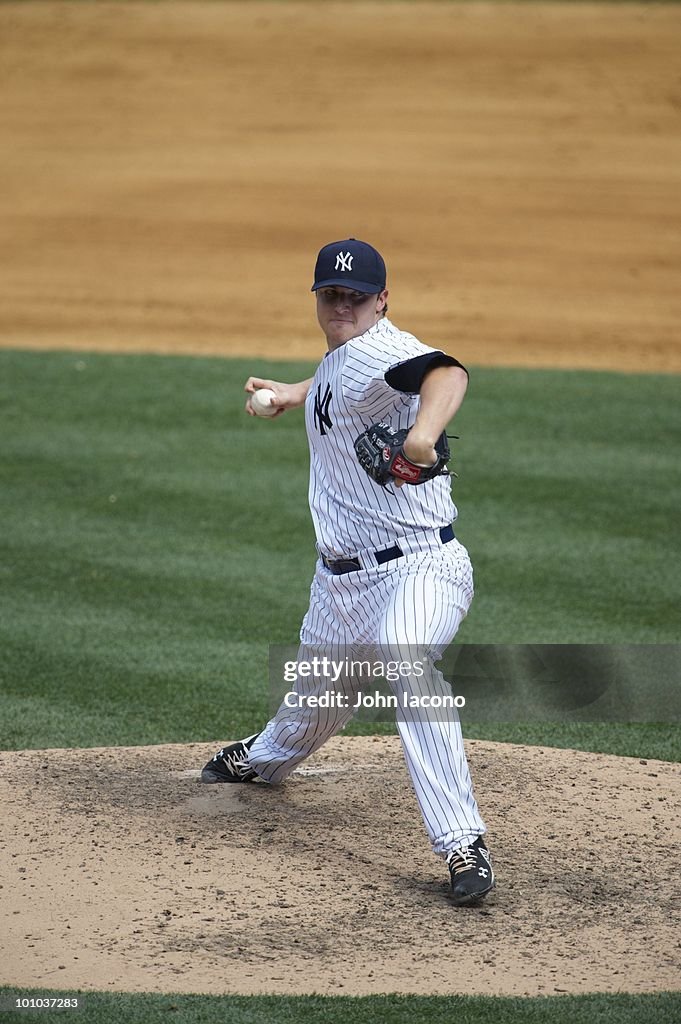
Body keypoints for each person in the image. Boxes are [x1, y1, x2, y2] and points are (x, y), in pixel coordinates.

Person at [202, 238, 494, 905]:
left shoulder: (383, 347)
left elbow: (446, 373)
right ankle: (262, 759)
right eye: (331, 295)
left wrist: (422, 434)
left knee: (407, 659)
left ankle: (461, 843)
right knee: (308, 714)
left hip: (420, 566)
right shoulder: (345, 356)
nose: (342, 305)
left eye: (355, 296)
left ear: (381, 300)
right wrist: (291, 393)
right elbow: (338, 382)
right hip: (340, 585)